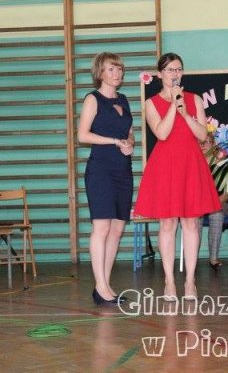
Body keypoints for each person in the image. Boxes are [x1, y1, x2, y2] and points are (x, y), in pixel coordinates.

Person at [135, 53, 221, 300]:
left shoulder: (195, 99)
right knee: (168, 223)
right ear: (160, 74)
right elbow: (161, 133)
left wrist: (185, 113)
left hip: (190, 163)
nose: (175, 74)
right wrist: (174, 104)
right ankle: (169, 281)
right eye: (170, 70)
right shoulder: (151, 103)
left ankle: (190, 281)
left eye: (178, 69)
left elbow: (202, 135)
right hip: (166, 165)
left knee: (191, 223)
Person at [77, 52, 134, 306]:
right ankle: (100, 286)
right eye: (112, 69)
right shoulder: (93, 99)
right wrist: (114, 141)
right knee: (101, 227)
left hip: (123, 169)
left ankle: (105, 285)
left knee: (117, 229)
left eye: (119, 69)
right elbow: (83, 135)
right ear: (100, 73)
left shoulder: (124, 99)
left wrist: (129, 143)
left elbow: (130, 133)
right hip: (101, 170)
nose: (117, 73)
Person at [200, 135, 228, 272]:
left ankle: (213, 259)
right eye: (200, 142)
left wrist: (210, 203)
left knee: (216, 213)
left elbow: (227, 194)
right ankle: (192, 257)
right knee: (195, 216)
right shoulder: (193, 163)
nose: (203, 145)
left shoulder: (224, 165)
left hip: (221, 204)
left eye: (207, 142)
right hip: (198, 205)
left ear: (214, 144)